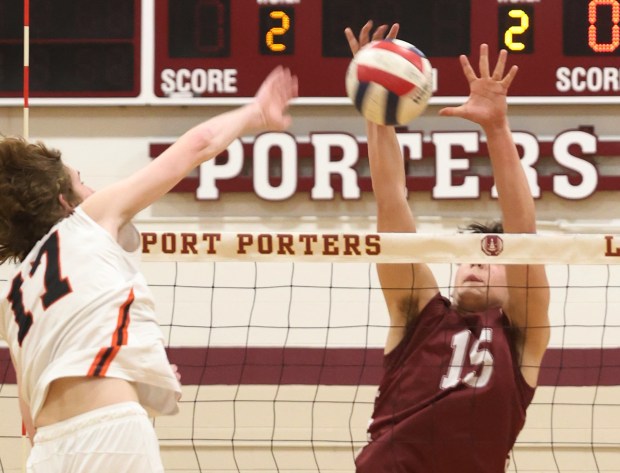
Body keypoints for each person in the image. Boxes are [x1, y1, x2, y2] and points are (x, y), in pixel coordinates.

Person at [0, 66, 298, 472]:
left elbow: (32, 415)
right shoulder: (86, 220)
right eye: (82, 181)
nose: (91, 189)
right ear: (65, 202)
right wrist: (255, 112)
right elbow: (197, 144)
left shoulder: (15, 295)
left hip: (48, 452)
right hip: (111, 435)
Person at [344, 22, 550, 472]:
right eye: (467, 258)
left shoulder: (523, 337)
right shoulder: (419, 313)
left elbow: (523, 234)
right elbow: (391, 201)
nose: (474, 264)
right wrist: (376, 112)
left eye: (490, 257)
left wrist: (497, 127)